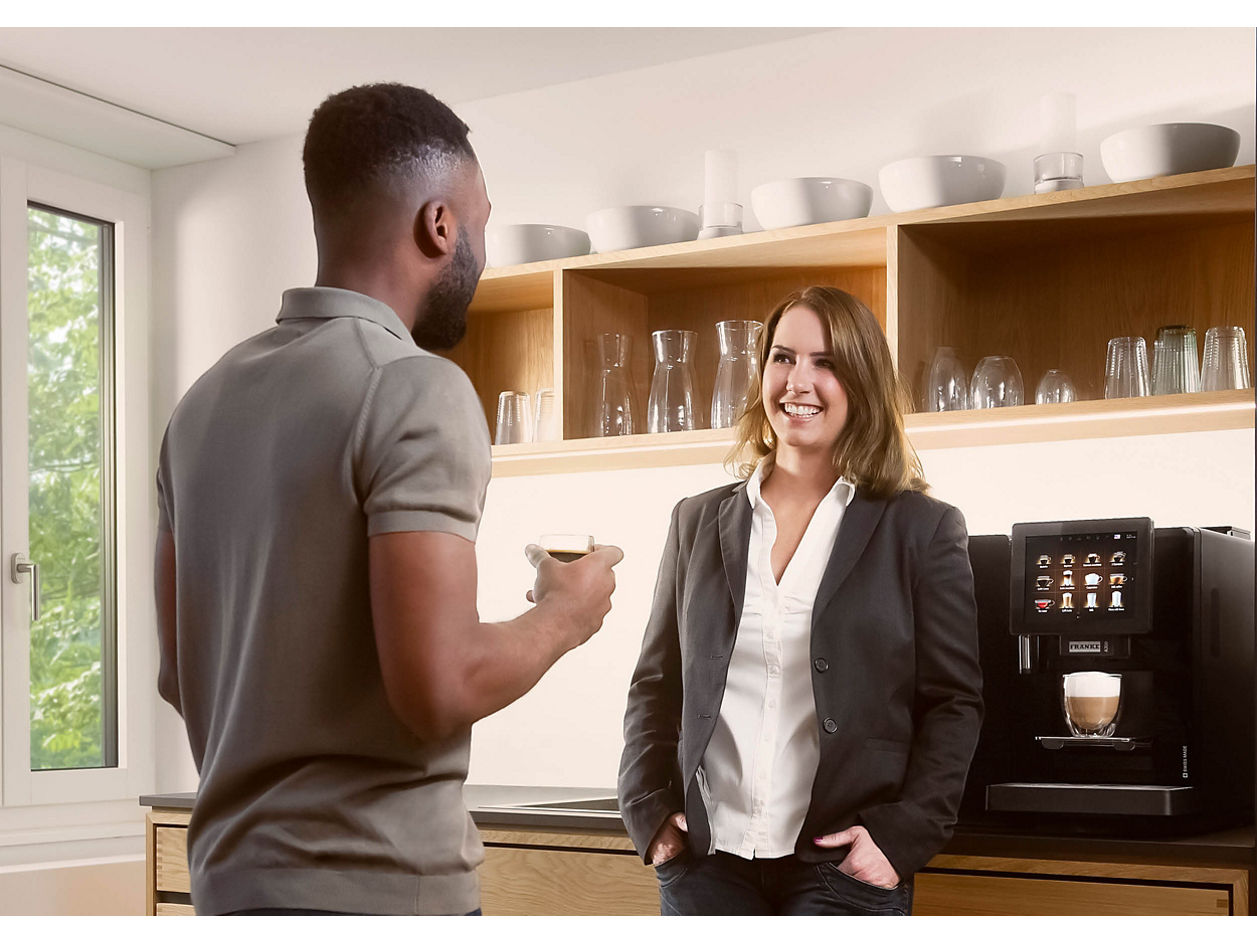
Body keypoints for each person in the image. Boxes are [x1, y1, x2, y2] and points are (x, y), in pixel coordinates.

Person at [154, 83, 622, 917]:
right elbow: (435, 688)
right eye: (480, 224)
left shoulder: (202, 404)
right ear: (439, 225)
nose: (480, 250)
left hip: (228, 891)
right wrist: (567, 613)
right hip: (378, 893)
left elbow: (176, 674)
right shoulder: (413, 389)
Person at [617, 285, 982, 916]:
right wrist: (648, 812)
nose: (799, 381)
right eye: (783, 358)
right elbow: (656, 683)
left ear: (862, 380)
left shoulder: (922, 529)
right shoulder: (696, 521)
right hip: (706, 868)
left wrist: (899, 840)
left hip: (844, 870)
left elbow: (954, 703)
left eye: (827, 363)